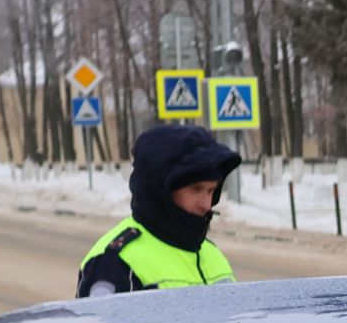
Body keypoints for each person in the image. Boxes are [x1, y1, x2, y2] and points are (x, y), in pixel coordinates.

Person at [77, 124, 243, 297]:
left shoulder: (210, 253)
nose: (206, 205)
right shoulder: (114, 262)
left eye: (211, 191)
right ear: (160, 191)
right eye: (196, 189)